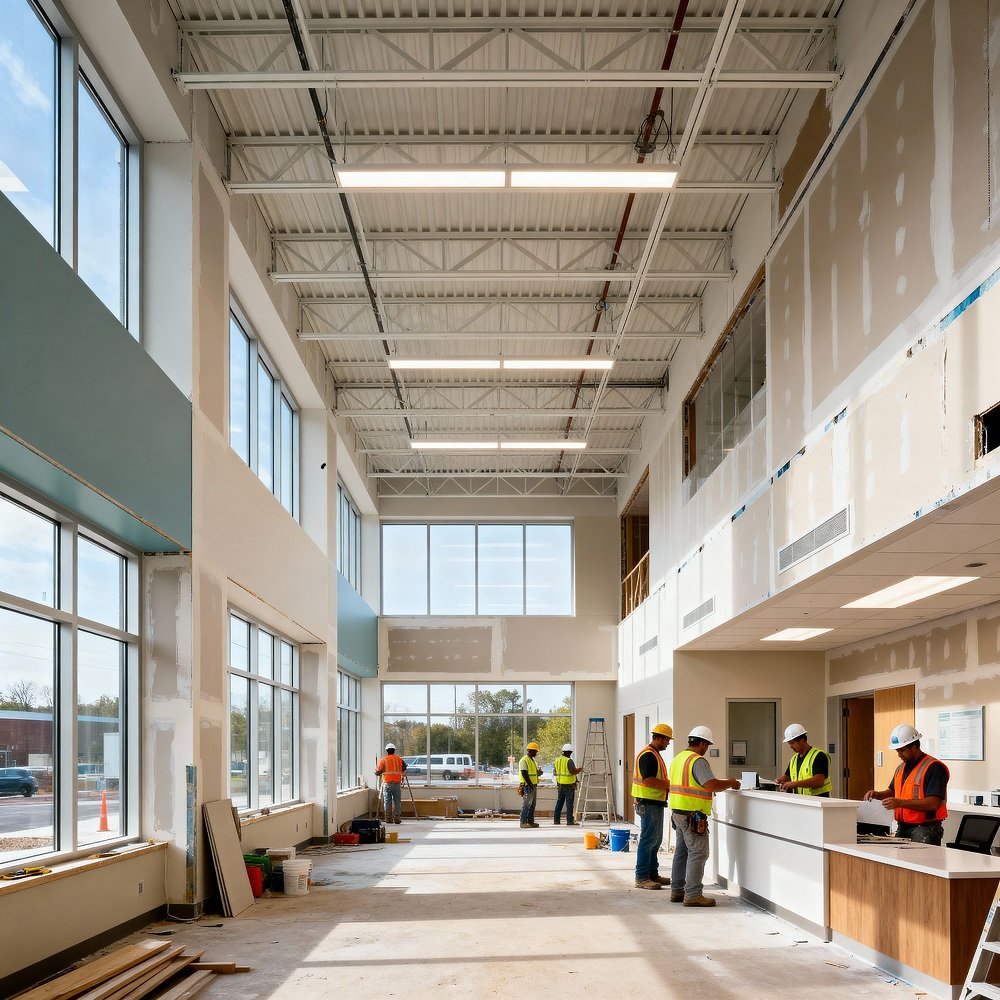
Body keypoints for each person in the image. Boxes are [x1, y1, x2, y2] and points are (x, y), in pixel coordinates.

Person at [668, 726, 740, 906]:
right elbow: (711, 785)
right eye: (707, 745)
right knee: (698, 854)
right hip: (692, 816)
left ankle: (677, 890)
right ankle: (693, 895)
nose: (706, 749)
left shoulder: (678, 759)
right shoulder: (697, 761)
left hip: (678, 813)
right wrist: (731, 782)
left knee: (682, 853)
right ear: (702, 743)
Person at [863, 724, 950, 845]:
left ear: (914, 747)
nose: (899, 754)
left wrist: (900, 803)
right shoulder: (901, 768)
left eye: (902, 750)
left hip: (925, 830)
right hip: (903, 827)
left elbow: (933, 803)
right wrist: (877, 795)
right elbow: (892, 791)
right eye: (897, 751)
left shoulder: (933, 768)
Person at [631, 723, 673, 890]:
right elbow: (648, 780)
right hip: (648, 803)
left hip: (654, 802)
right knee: (648, 840)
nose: (668, 743)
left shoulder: (654, 754)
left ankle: (652, 874)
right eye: (667, 740)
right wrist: (668, 785)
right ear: (660, 738)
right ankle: (641, 877)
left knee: (655, 840)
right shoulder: (648, 755)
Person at [776, 723, 831, 796]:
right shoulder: (794, 759)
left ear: (802, 740)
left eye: (792, 743)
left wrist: (795, 784)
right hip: (802, 799)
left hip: (818, 799)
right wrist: (779, 780)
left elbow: (818, 781)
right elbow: (787, 776)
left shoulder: (819, 756)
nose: (791, 746)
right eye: (789, 743)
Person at [375, 743, 407, 824]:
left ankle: (388, 819)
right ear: (394, 750)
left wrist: (378, 771)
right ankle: (397, 819)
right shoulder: (399, 759)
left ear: (387, 751)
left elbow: (378, 772)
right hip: (397, 783)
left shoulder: (383, 760)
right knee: (397, 801)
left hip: (387, 783)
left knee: (387, 801)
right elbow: (404, 768)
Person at [553, 742, 583, 825]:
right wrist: (579, 770)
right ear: (570, 752)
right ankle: (570, 821)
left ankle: (556, 820)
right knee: (569, 803)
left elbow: (555, 772)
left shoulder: (557, 760)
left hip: (560, 784)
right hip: (569, 785)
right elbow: (573, 771)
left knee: (559, 802)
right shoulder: (569, 761)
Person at [518, 741, 541, 828]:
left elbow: (532, 772)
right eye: (535, 751)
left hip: (533, 784)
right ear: (529, 750)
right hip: (528, 785)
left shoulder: (532, 760)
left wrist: (539, 773)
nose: (536, 753)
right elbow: (524, 773)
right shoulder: (524, 760)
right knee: (526, 804)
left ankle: (531, 822)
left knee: (532, 804)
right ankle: (523, 822)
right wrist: (530, 784)